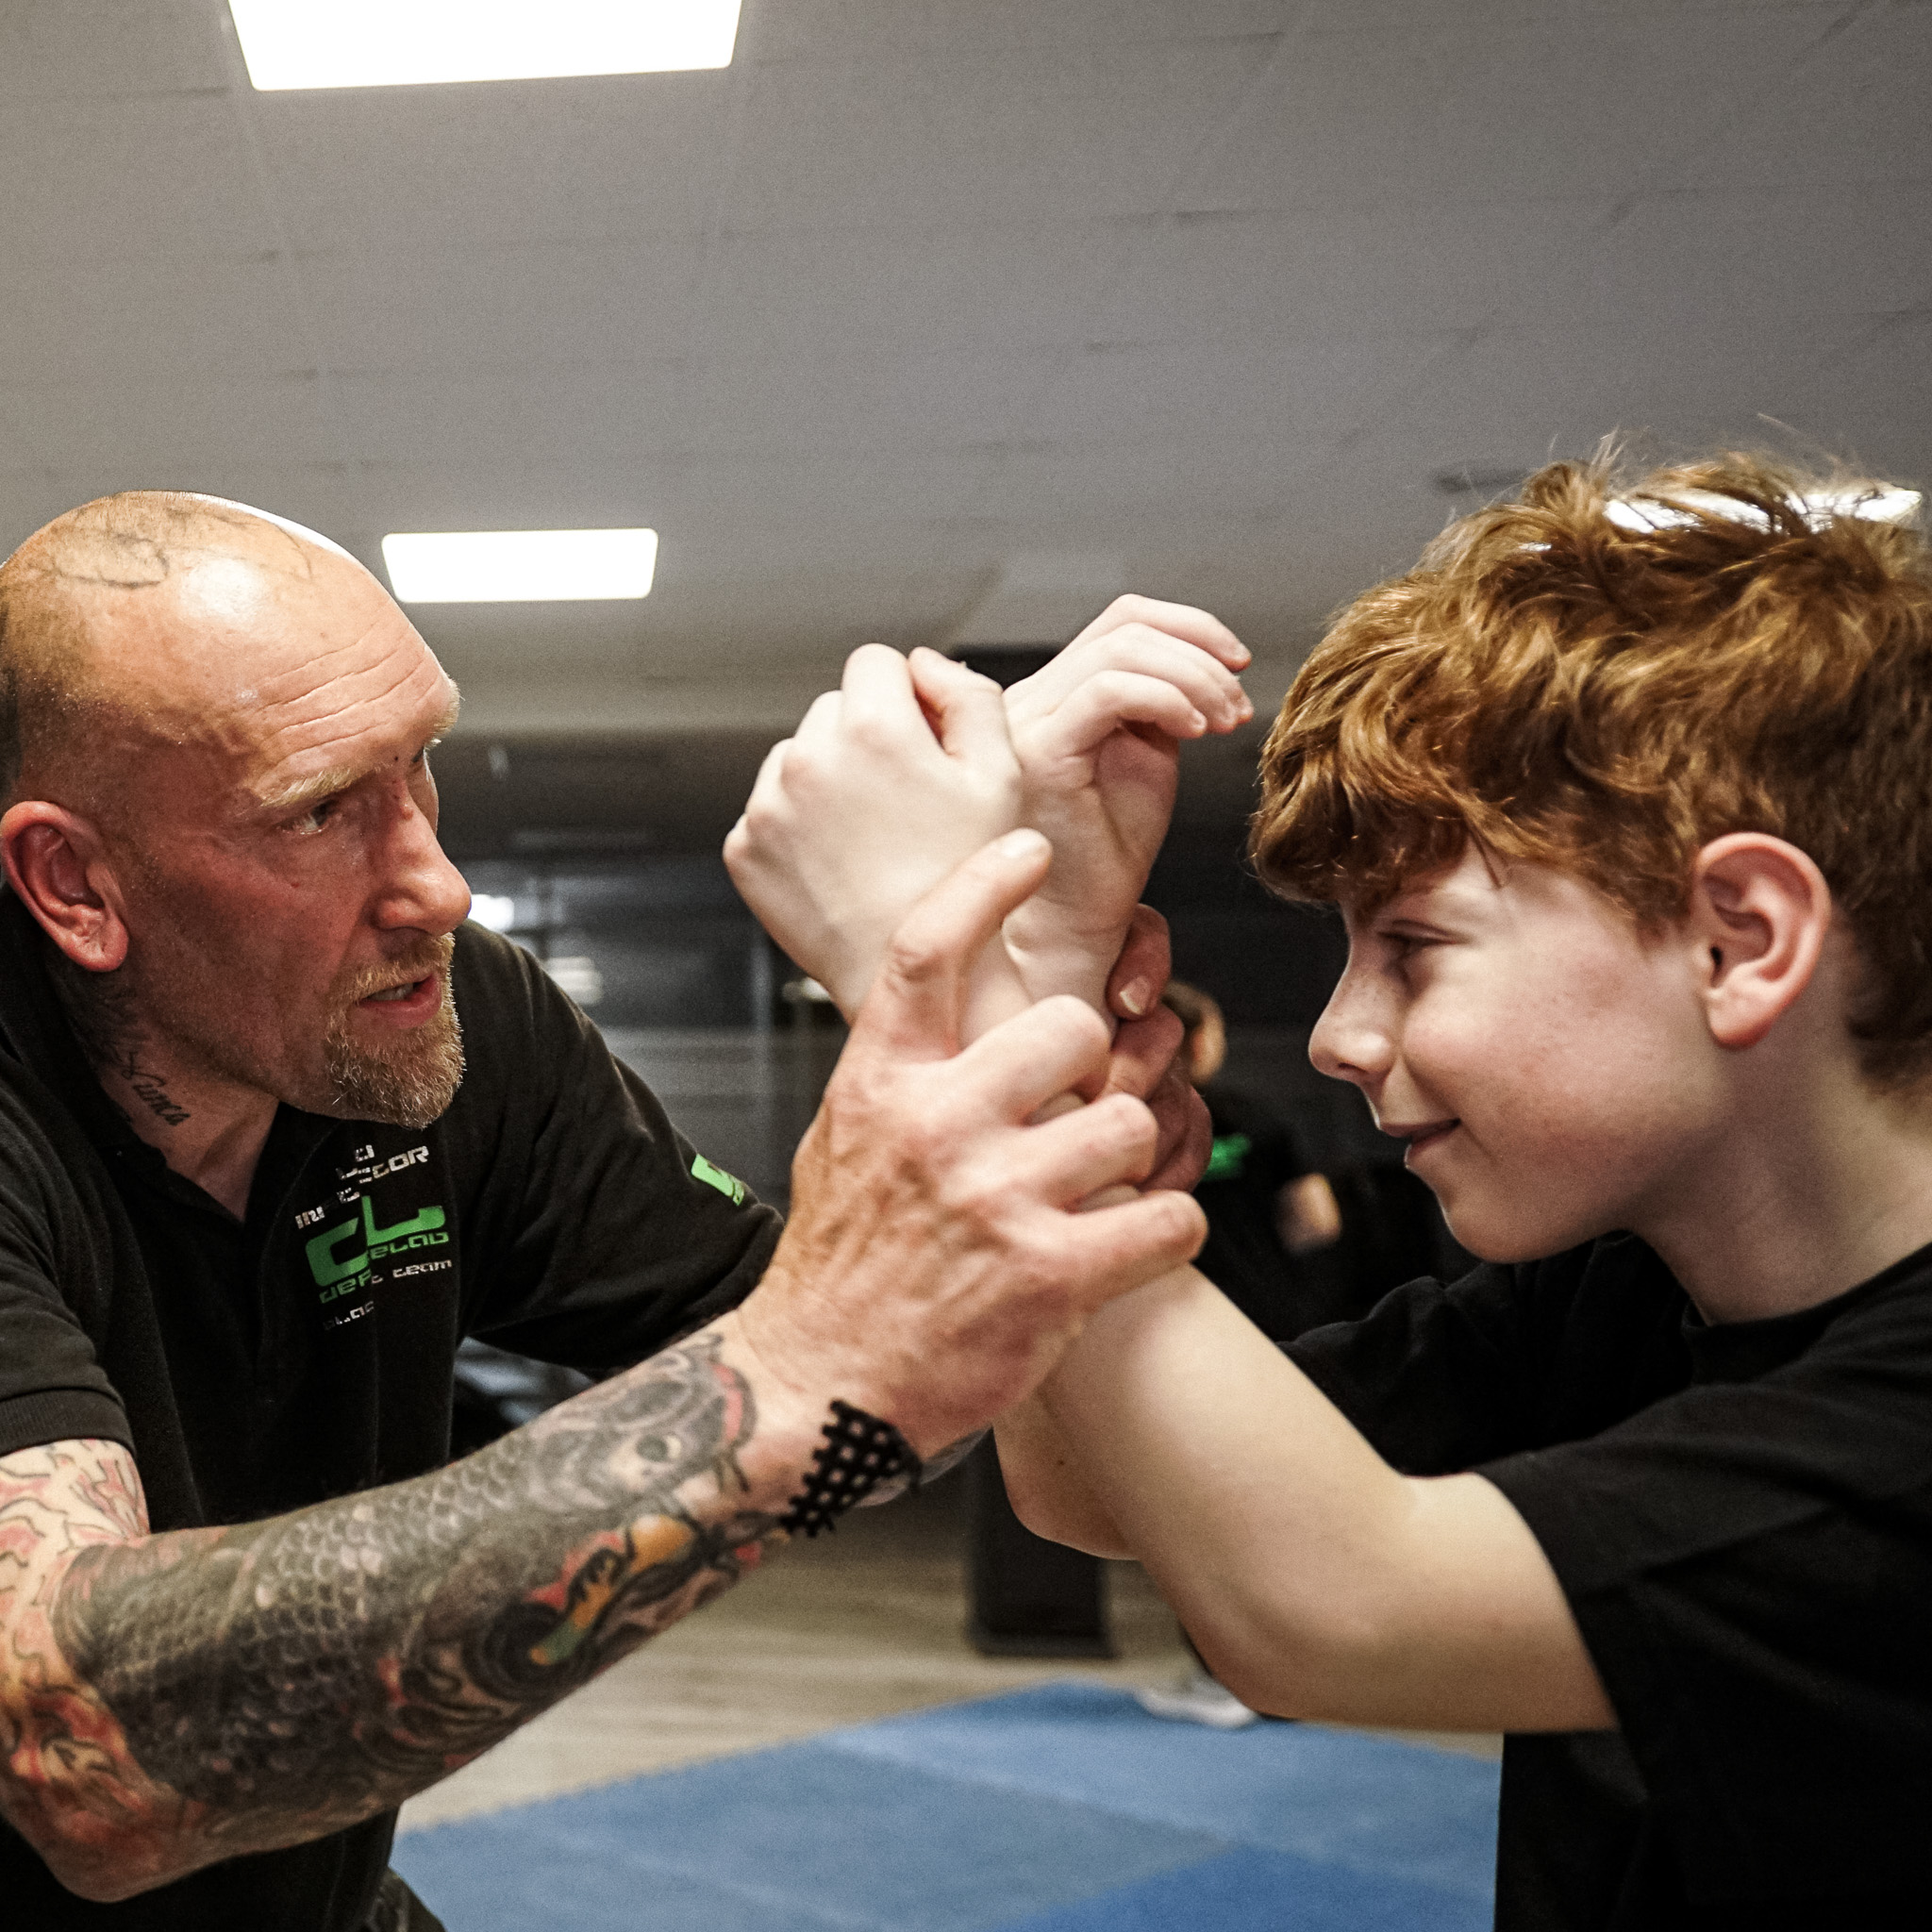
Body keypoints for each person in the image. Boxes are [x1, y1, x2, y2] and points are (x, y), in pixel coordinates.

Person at [0, 491, 1246, 1929]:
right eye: (321, 811)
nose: (437, 886)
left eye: (420, 770)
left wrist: (1025, 1019)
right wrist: (802, 1372)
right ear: (76, 886)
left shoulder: (447, 1025)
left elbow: (905, 1405)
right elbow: (76, 1745)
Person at [728, 453, 1932, 1927]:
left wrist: (945, 976)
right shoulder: (1625, 1283)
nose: (1341, 1040)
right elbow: (1086, 1490)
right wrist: (1049, 960)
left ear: (1739, 942)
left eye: (1415, 949)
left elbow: (1336, 1614)